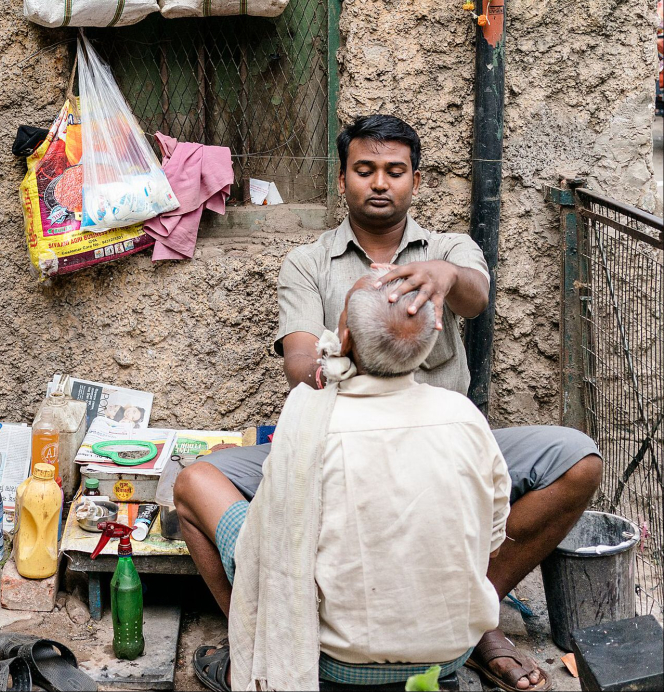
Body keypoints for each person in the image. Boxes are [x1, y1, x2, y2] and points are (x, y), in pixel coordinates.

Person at [175, 115, 602, 692]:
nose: (380, 183)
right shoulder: (308, 262)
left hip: (439, 445)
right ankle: (268, 638)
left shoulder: (449, 249)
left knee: (577, 459)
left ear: (415, 181)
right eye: (365, 170)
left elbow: (477, 298)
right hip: (335, 442)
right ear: (344, 179)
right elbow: (301, 364)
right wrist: (349, 331)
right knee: (195, 480)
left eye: (394, 171)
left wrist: (446, 276)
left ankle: (476, 612)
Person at [193, 276, 511, 690]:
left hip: (338, 661)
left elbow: (270, 547)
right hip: (450, 653)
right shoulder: (465, 415)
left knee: (194, 482)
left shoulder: (309, 415)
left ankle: (250, 662)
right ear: (432, 337)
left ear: (343, 338)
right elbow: (493, 539)